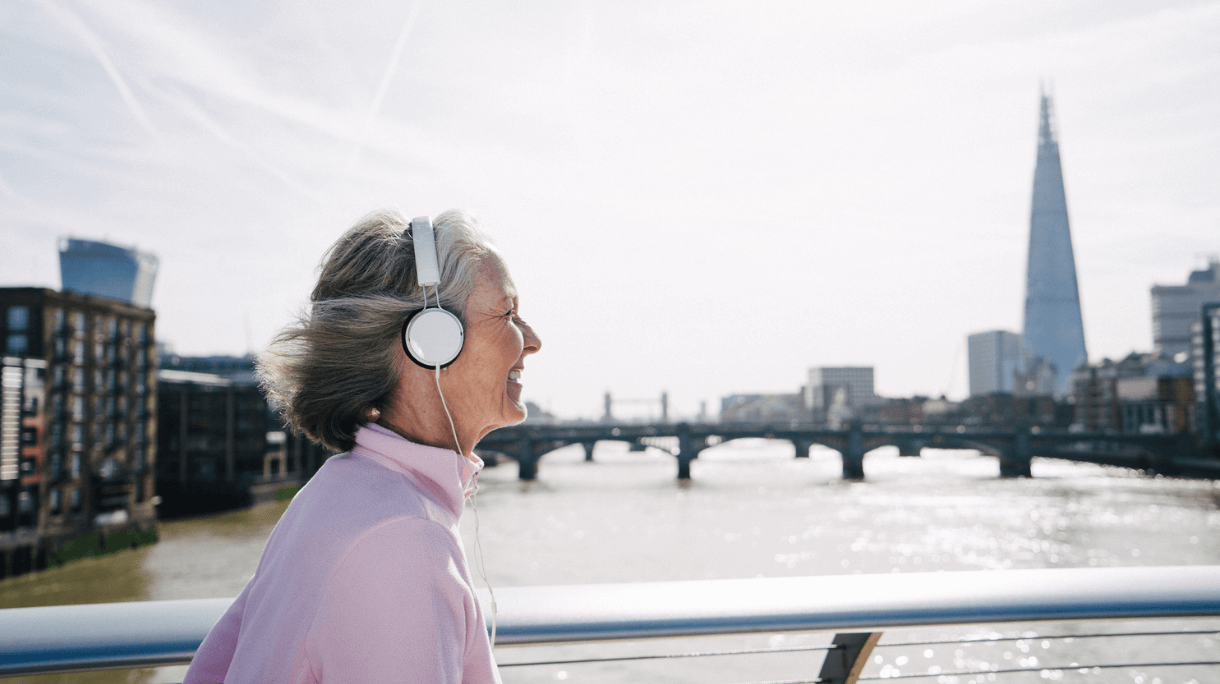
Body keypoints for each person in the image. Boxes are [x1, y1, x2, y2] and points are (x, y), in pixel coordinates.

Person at [183, 209, 541, 684]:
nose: (533, 341)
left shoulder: (333, 492)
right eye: (508, 313)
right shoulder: (403, 540)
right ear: (432, 340)